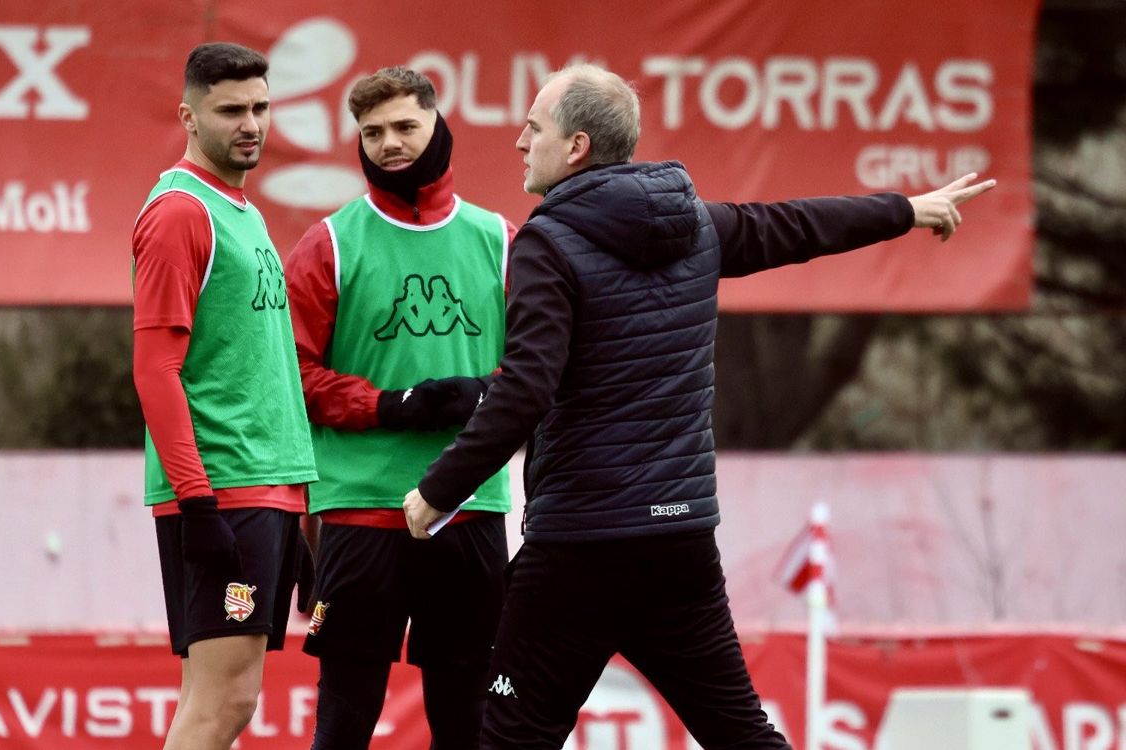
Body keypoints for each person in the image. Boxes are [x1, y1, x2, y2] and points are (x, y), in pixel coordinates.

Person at [403, 63, 996, 749]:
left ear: (576, 148)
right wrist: (905, 209)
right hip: (679, 540)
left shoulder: (548, 240)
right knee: (740, 733)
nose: (518, 142)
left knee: (503, 734)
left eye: (532, 128)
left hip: (580, 547)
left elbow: (526, 387)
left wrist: (438, 492)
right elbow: (800, 225)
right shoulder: (698, 226)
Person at [284, 66, 516, 750]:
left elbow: (544, 365)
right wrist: (387, 405)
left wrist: (486, 396)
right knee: (345, 717)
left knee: (467, 718)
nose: (390, 143)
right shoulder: (327, 244)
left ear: (437, 125)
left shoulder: (501, 240)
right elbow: (291, 375)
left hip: (470, 507)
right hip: (359, 506)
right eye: (372, 131)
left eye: (405, 126)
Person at [131, 42, 318, 750]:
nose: (251, 124)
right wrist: (199, 501)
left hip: (261, 491)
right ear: (188, 115)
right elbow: (155, 370)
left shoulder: (241, 211)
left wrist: (296, 512)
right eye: (231, 109)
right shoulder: (181, 213)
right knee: (222, 704)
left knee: (220, 702)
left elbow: (260, 370)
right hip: (224, 492)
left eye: (262, 107)